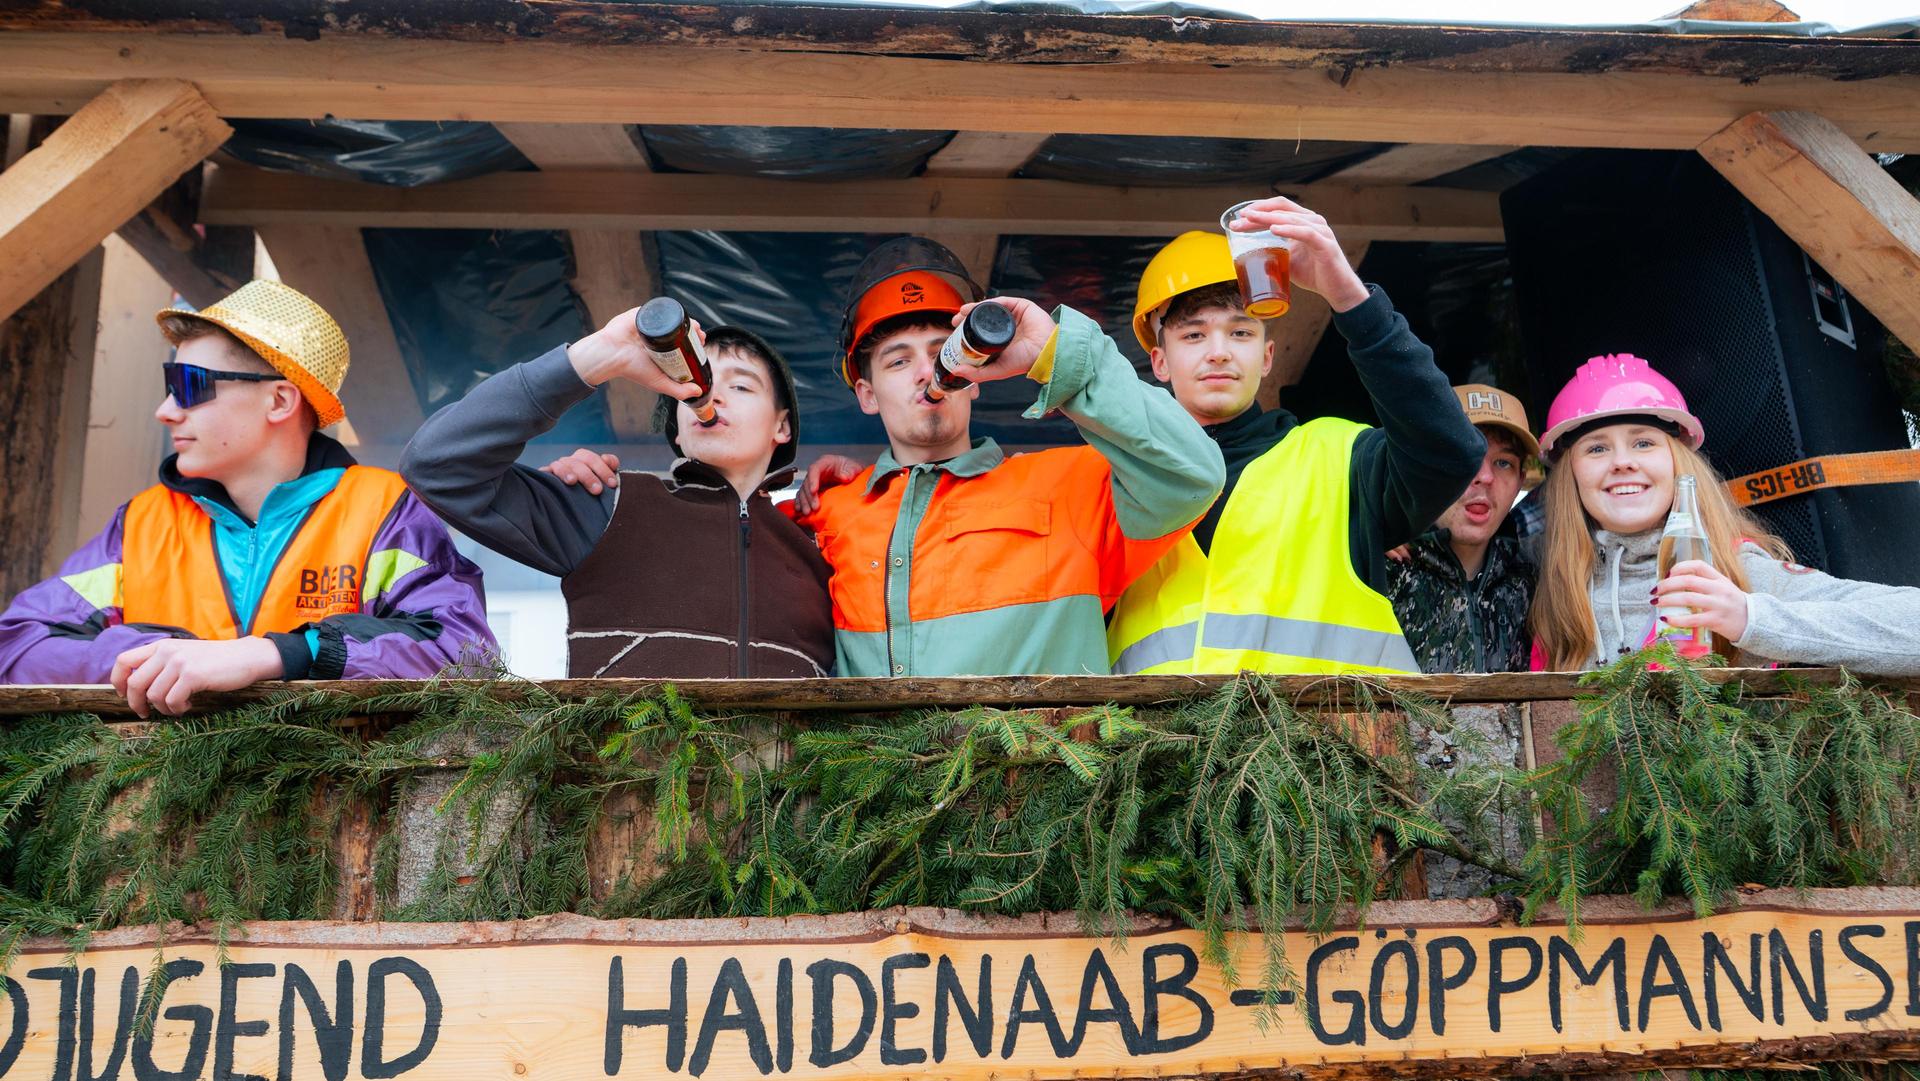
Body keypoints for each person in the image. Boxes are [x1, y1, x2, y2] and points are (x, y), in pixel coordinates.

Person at [0, 280, 496, 716]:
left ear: (279, 400)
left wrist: (278, 655)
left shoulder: (385, 510)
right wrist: (160, 655)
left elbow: (463, 652)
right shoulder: (141, 522)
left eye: (189, 386)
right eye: (168, 385)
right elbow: (15, 647)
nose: (165, 411)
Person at [789, 236, 1225, 676]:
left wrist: (1057, 355)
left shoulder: (1071, 485)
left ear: (971, 375)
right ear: (867, 395)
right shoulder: (827, 508)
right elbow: (737, 533)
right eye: (898, 362)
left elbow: (1193, 476)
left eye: (941, 353)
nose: (926, 372)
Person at [1103, 199, 1486, 675]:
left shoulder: (1339, 459)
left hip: (1342, 747)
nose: (1219, 353)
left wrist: (1347, 295)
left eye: (1240, 333)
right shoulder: (1115, 486)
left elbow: (1450, 451)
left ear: (1266, 358)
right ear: (1160, 362)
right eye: (1194, 336)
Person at [401, 311, 833, 678]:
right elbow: (436, 465)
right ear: (678, 430)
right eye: (696, 384)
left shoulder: (822, 547)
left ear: (783, 426)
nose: (713, 394)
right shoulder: (610, 504)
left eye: (741, 386)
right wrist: (597, 357)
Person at [1531, 353, 1920, 675]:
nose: (1622, 462)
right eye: (1596, 449)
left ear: (1678, 464)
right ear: (1571, 477)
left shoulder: (1732, 571)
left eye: (1644, 443)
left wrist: (1750, 619)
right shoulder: (1561, 591)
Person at [1387, 384, 1538, 676]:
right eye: (1462, 456)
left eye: (1503, 463)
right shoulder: (1377, 570)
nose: (1484, 477)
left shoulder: (1537, 581)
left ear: (1520, 479)